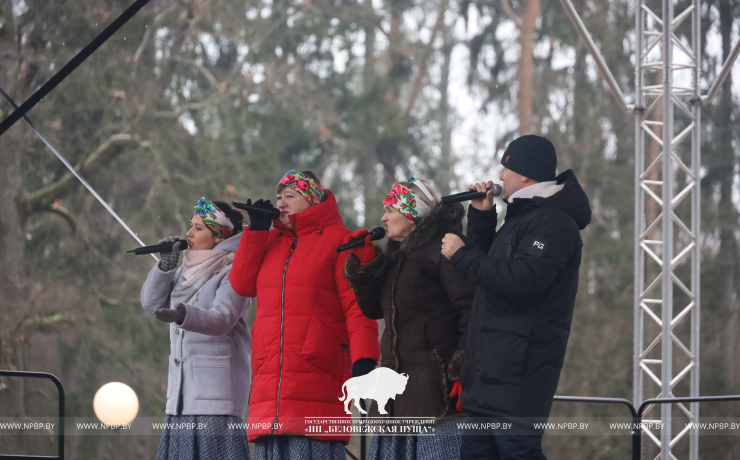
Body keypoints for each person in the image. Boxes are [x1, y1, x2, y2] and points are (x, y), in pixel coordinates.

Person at [440, 135, 592, 460]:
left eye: (505, 169)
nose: (500, 177)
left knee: (516, 453)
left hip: (520, 377)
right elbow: (487, 273)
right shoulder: (521, 219)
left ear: (524, 174)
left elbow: (522, 281)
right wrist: (481, 216)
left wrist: (462, 254)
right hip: (489, 374)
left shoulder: (553, 223)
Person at [229, 170, 380, 460]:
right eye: (278, 197)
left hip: (317, 380)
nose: (281, 203)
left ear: (312, 199)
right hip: (269, 386)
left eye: (290, 196)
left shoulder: (340, 240)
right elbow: (242, 284)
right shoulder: (269, 240)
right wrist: (256, 232)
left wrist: (364, 359)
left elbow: (356, 306)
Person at [343, 177, 475, 460]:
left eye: (390, 210)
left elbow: (471, 309)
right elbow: (373, 311)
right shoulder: (395, 257)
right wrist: (367, 265)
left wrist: (462, 368)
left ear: (411, 213)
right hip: (395, 401)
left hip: (435, 398)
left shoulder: (443, 249)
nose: (383, 217)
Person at [141, 198, 253, 460]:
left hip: (217, 400)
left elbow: (223, 317)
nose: (188, 233)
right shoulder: (184, 271)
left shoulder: (234, 269)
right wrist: (165, 268)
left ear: (217, 236)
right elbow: (150, 302)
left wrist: (184, 314)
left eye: (198, 228)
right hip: (181, 399)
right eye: (190, 226)